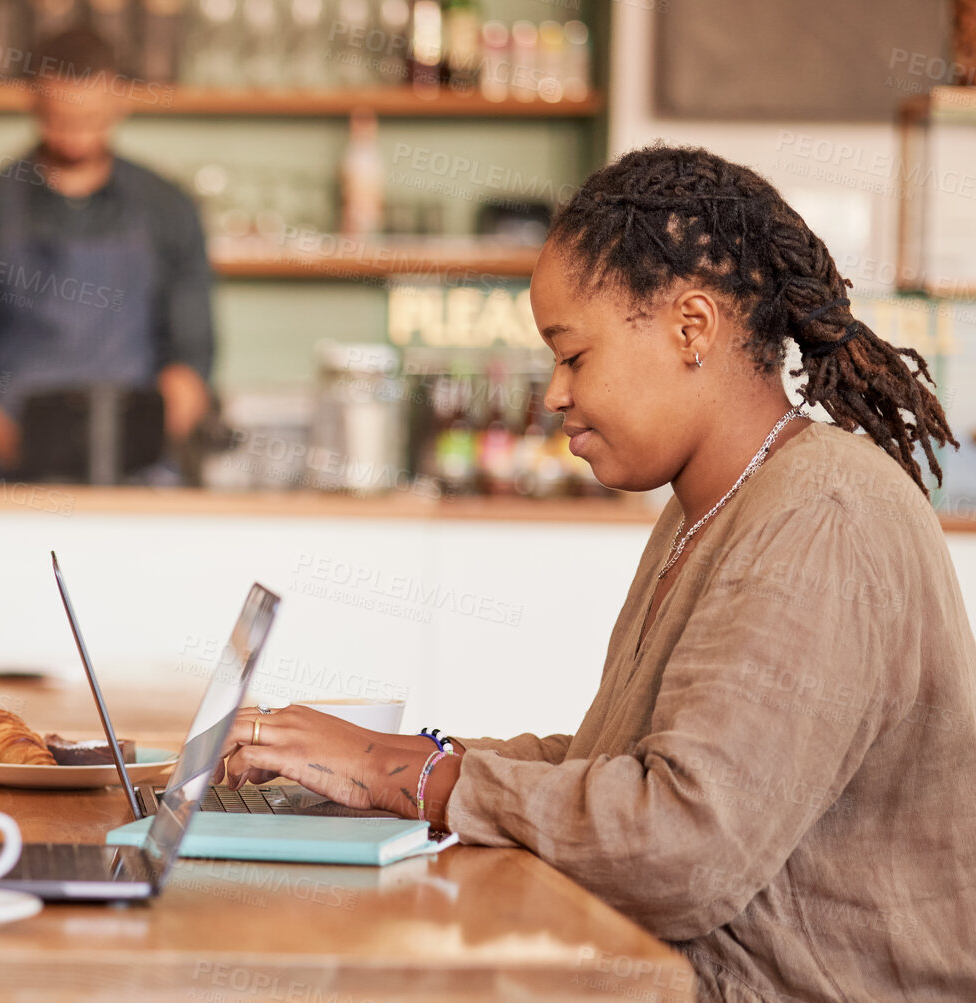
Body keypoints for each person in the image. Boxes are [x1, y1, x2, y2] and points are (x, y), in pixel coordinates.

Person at [215, 146, 976, 1002]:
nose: (552, 395)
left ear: (692, 327)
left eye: (572, 356)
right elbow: (614, 766)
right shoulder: (717, 501)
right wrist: (386, 764)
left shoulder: (820, 515)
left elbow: (681, 845)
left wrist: (416, 779)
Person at [0, 24, 215, 479]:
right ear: (34, 103)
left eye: (91, 120)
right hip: (11, 476)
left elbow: (191, 365)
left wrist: (132, 453)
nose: (75, 137)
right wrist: (23, 458)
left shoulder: (169, 209)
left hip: (139, 478)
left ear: (120, 103)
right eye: (59, 120)